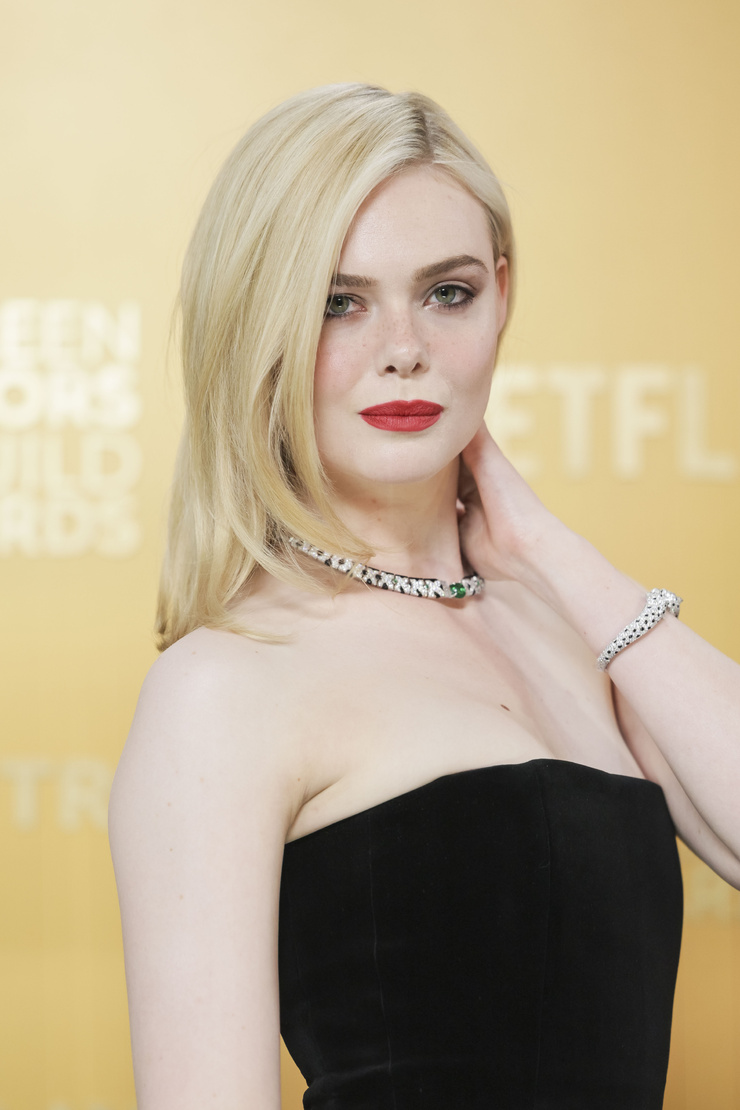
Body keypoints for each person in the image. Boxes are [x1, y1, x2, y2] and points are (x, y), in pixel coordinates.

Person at [108, 83, 740, 1110]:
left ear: (501, 297)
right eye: (339, 301)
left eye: (446, 293)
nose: (403, 347)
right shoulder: (224, 686)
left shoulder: (568, 628)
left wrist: (545, 550)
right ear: (260, 323)